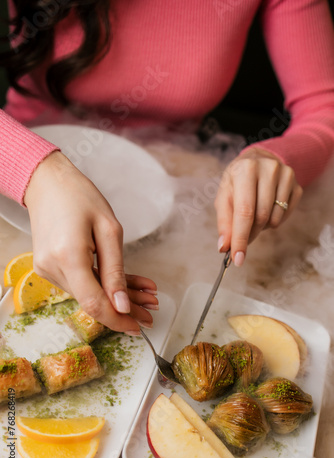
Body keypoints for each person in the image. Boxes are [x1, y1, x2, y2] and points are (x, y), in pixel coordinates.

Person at [0, 1, 334, 334]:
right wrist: (39, 172)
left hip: (179, 186)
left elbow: (323, 109)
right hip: (14, 173)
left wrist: (276, 157)